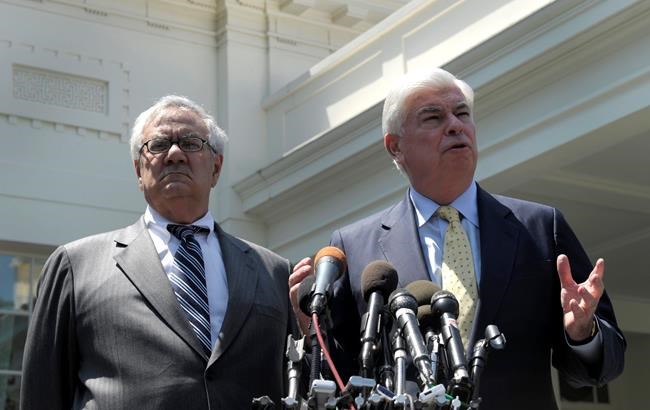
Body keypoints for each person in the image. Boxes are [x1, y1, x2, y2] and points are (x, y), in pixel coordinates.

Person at [289, 68, 626, 409]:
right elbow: (337, 384)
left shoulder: (540, 227)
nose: (455, 125)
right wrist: (310, 329)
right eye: (433, 117)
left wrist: (583, 333)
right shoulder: (353, 247)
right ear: (395, 146)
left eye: (462, 113)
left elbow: (603, 367)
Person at [21, 95, 293, 409]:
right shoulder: (76, 265)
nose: (175, 154)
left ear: (216, 167)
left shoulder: (274, 272)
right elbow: (42, 395)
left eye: (191, 143)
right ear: (139, 170)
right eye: (159, 145)